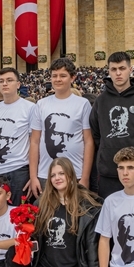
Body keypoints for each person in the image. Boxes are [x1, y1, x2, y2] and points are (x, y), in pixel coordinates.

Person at [10, 158, 101, 267]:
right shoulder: (41, 203)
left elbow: (92, 246)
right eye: (53, 175)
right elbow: (34, 239)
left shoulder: (86, 205)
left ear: (71, 175)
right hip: (47, 266)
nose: (57, 178)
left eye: (61, 173)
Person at [89, 52, 134, 198]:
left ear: (130, 69)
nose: (118, 73)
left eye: (122, 68)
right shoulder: (100, 101)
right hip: (109, 173)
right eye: (113, 69)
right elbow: (96, 133)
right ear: (109, 71)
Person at [29, 58, 94, 194]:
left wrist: (85, 177)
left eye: (63, 76)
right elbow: (34, 141)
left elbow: (88, 141)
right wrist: (33, 176)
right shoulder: (41, 104)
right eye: (54, 76)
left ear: (72, 78)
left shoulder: (82, 104)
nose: (58, 79)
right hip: (45, 174)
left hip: (75, 173)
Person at [0, 69, 36, 205]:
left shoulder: (30, 108)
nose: (5, 84)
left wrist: (33, 174)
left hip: (19, 169)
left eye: (9, 80)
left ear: (18, 84)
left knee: (19, 214)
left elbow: (34, 141)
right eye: (1, 81)